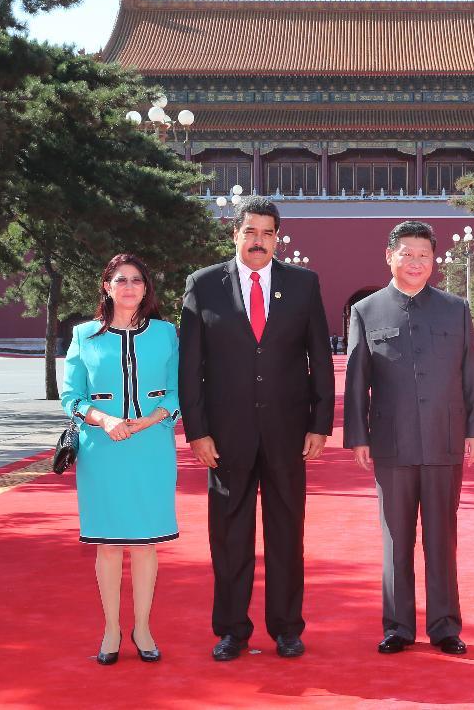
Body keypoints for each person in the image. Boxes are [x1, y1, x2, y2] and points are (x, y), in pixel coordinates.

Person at [179, 196, 335, 661]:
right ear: (235, 234)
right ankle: (232, 629)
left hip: (289, 433)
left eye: (268, 233)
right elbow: (191, 368)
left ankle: (287, 627)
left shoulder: (303, 285)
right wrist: (198, 430)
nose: (259, 241)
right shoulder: (203, 286)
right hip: (225, 437)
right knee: (229, 536)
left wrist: (320, 423)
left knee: (288, 533)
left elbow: (320, 360)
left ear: (278, 237)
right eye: (251, 231)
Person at [344, 220, 474, 656]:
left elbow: (471, 373)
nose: (415, 262)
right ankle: (398, 626)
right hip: (391, 442)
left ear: (434, 261)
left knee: (443, 537)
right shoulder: (367, 311)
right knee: (396, 538)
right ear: (389, 256)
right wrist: (358, 436)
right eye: (407, 254)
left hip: (445, 440)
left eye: (424, 255)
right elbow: (356, 381)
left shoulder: (454, 309)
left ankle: (445, 625)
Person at [61, 253, 181, 666]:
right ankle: (111, 628)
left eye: (136, 280)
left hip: (151, 447)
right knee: (109, 546)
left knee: (146, 546)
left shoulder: (167, 334)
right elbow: (71, 396)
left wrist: (150, 420)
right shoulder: (84, 336)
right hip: (102, 449)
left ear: (146, 287)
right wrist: (105, 418)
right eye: (120, 279)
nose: (129, 287)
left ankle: (143, 627)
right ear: (106, 286)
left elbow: (177, 390)